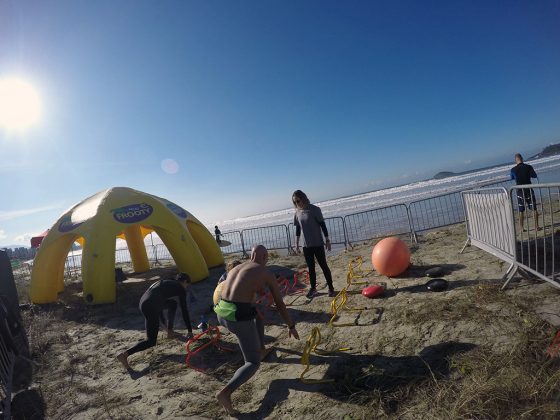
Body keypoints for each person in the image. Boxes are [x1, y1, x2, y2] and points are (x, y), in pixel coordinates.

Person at [214, 245, 299, 416]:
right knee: (252, 363)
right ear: (266, 257)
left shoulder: (237, 267)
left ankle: (260, 349)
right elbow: (280, 304)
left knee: (257, 316)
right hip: (237, 316)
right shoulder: (265, 272)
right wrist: (291, 325)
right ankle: (225, 393)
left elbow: (242, 290)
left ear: (251, 255)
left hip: (221, 312)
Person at [117, 273, 194, 370]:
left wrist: (164, 325)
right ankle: (124, 355)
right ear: (185, 282)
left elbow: (159, 302)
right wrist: (190, 331)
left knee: (172, 304)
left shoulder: (169, 282)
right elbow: (184, 310)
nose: (186, 287)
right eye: (187, 285)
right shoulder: (180, 288)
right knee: (151, 341)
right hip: (150, 306)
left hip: (144, 302)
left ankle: (169, 332)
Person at [292, 190, 336, 298]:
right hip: (306, 245)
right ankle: (313, 289)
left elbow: (322, 225)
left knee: (323, 266)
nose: (297, 203)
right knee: (311, 268)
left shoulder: (315, 210)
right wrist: (297, 244)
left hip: (317, 243)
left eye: (298, 200)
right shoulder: (297, 212)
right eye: (295, 202)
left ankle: (331, 288)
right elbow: (298, 229)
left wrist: (327, 240)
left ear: (303, 198)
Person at [510, 153, 540, 231]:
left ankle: (522, 227)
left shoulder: (513, 170)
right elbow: (534, 175)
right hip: (529, 189)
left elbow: (512, 178)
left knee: (521, 210)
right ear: (522, 159)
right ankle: (536, 226)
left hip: (520, 191)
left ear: (515, 160)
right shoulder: (529, 167)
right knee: (534, 208)